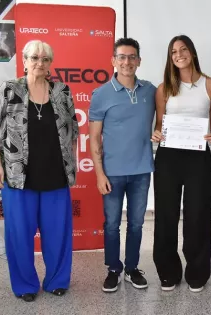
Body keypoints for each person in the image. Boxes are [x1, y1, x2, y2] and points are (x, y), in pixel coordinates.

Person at [0, 40, 79, 302]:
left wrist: (70, 161)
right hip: (18, 177)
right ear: (25, 61)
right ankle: (25, 284)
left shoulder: (62, 91)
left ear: (51, 64)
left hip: (56, 176)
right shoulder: (9, 90)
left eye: (46, 59)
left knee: (58, 235)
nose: (40, 63)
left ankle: (57, 280)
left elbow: (73, 129)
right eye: (35, 58)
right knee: (19, 236)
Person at [150, 35, 211, 292]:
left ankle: (197, 272)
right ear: (171, 58)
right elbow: (159, 126)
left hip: (198, 156)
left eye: (183, 49)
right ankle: (168, 272)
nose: (178, 54)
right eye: (173, 52)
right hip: (169, 156)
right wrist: (156, 135)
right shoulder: (164, 88)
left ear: (192, 52)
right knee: (166, 215)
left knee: (198, 215)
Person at [89, 38, 156, 293]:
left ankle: (132, 268)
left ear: (139, 61)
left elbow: (163, 122)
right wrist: (99, 173)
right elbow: (94, 137)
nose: (127, 62)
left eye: (132, 57)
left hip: (141, 171)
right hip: (112, 173)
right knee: (112, 224)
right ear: (113, 61)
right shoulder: (101, 94)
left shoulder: (151, 90)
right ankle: (114, 269)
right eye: (122, 57)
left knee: (137, 224)